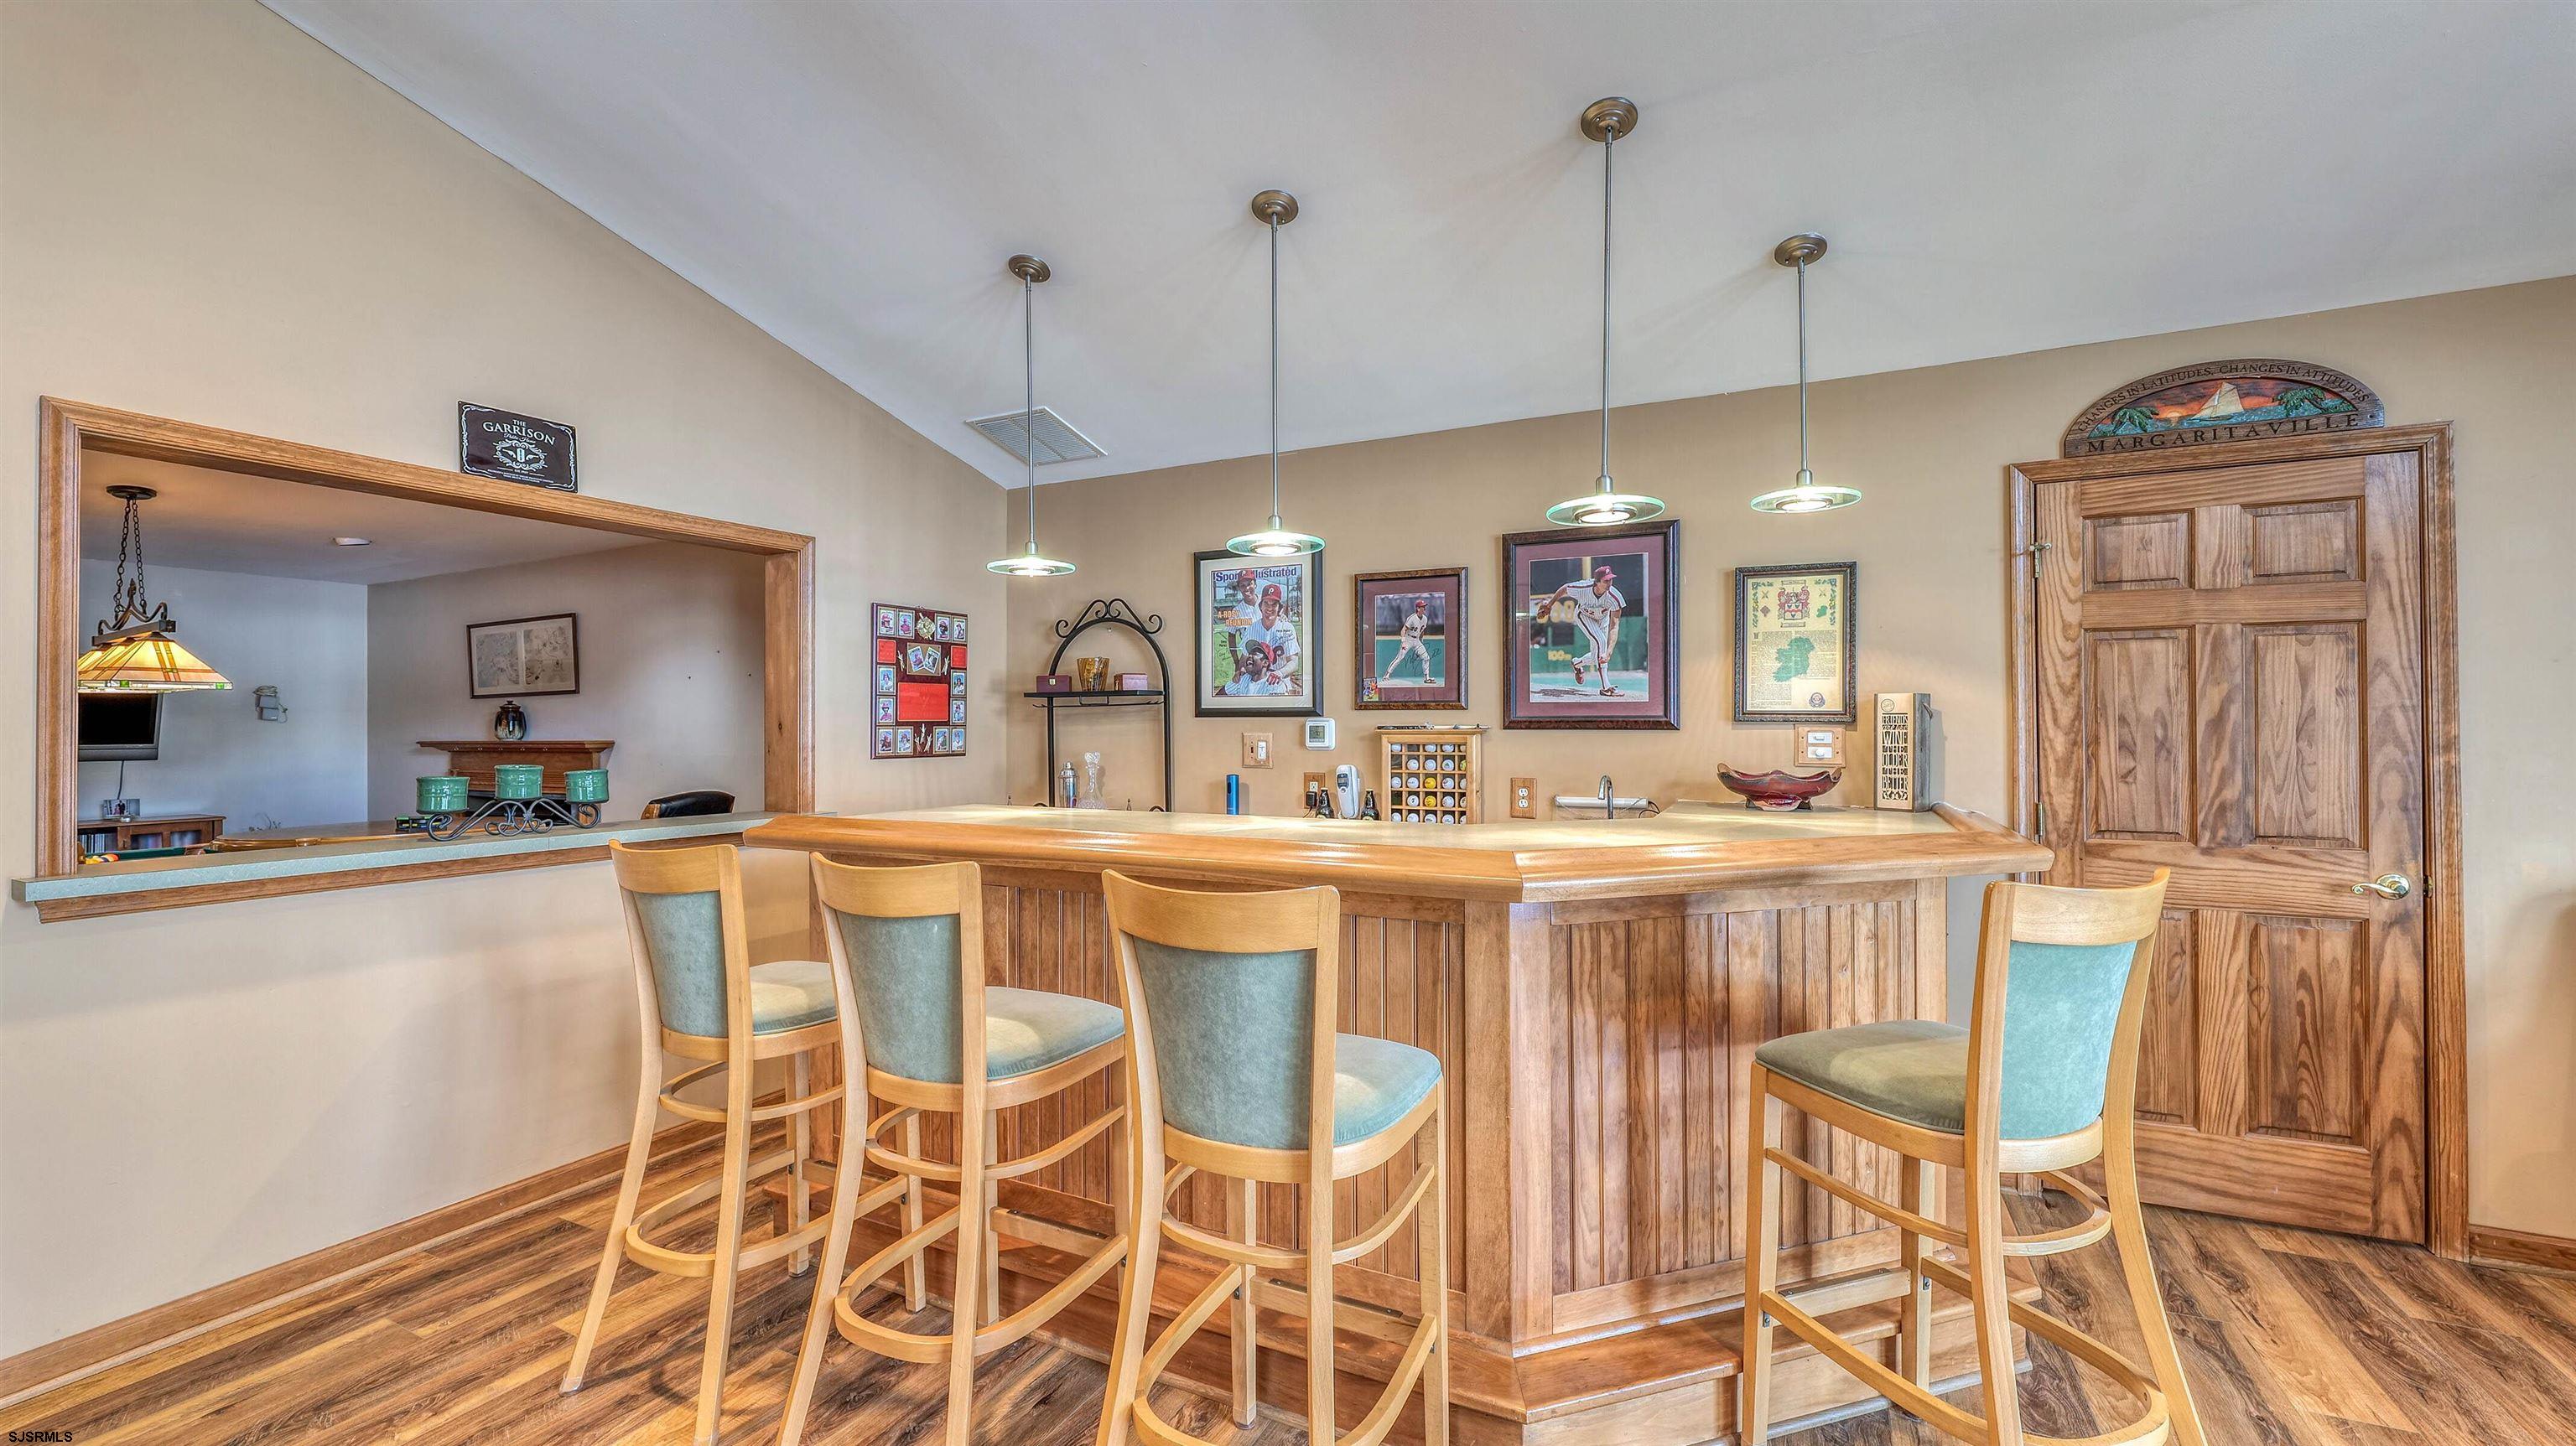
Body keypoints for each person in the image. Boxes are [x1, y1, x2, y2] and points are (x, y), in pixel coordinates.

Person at [1540, 563, 1626, 696]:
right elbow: (1564, 589)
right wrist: (1550, 605)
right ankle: (1606, 687)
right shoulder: (1583, 587)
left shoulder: (1615, 597)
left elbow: (1615, 626)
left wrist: (1609, 652)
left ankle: (1577, 663)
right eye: (1606, 580)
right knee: (1601, 641)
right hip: (1584, 617)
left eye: (1611, 579)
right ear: (1596, 582)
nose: (1609, 583)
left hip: (1603, 620)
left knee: (1596, 656)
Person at [1242, 582, 1300, 694]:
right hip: (1257, 680)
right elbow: (1244, 659)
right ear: (1261, 606)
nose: (1270, 608)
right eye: (1266, 603)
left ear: (1280, 608)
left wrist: (1280, 673)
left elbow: (1294, 663)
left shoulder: (1286, 627)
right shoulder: (1252, 628)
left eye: (1274, 604)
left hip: (1280, 680)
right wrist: (1241, 670)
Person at [1381, 595, 1436, 682]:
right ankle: (1386, 675)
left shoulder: (1425, 619)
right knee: (1400, 658)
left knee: (1426, 658)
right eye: (1422, 607)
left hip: (1417, 640)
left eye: (1425, 607)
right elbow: (1403, 630)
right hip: (1408, 640)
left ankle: (1427, 678)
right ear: (1418, 608)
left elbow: (1422, 631)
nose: (1424, 608)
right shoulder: (1412, 618)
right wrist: (1403, 641)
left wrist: (1421, 642)